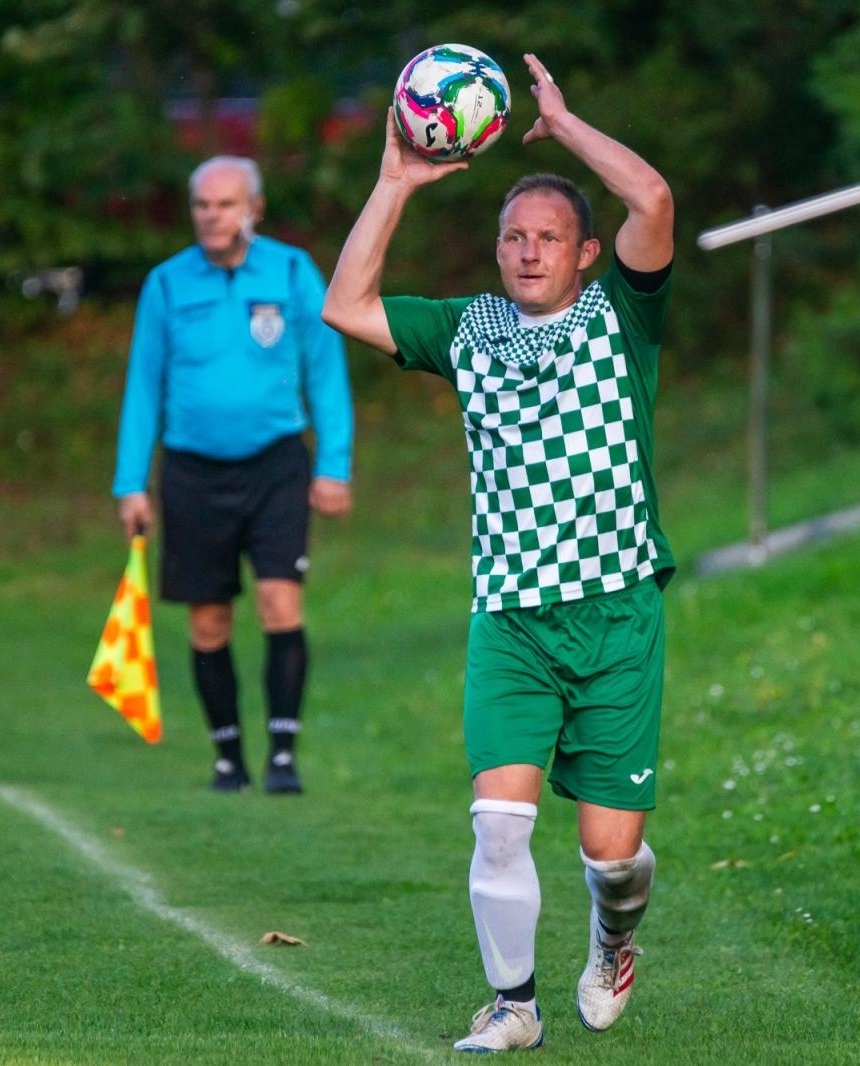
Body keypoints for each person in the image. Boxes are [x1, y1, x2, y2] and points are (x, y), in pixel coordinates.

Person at [322, 53, 675, 1053]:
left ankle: (612, 940)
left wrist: (561, 124)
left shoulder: (623, 319)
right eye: (512, 237)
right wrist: (393, 181)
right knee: (498, 822)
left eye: (549, 238)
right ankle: (511, 1004)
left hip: (614, 615)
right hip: (510, 615)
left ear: (587, 254)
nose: (527, 253)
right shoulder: (467, 330)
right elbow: (345, 306)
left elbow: (650, 193)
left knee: (611, 858)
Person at [113, 155, 353, 796]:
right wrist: (130, 482)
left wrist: (334, 465)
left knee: (280, 604)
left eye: (224, 204)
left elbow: (326, 371)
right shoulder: (166, 284)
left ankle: (281, 755)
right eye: (202, 205)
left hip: (276, 464)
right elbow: (143, 385)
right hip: (192, 472)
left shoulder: (293, 271)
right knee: (208, 622)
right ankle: (227, 758)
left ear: (254, 208)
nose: (211, 216)